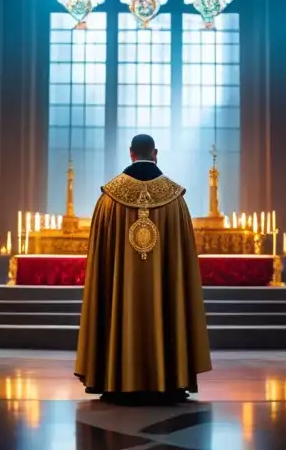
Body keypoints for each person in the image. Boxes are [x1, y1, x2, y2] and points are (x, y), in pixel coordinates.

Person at [74, 133, 212, 403]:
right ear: (155, 153)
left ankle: (115, 379)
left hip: (120, 298)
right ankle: (171, 380)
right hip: (164, 295)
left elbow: (100, 265)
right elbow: (183, 264)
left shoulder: (108, 200)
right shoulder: (175, 200)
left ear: (131, 153)